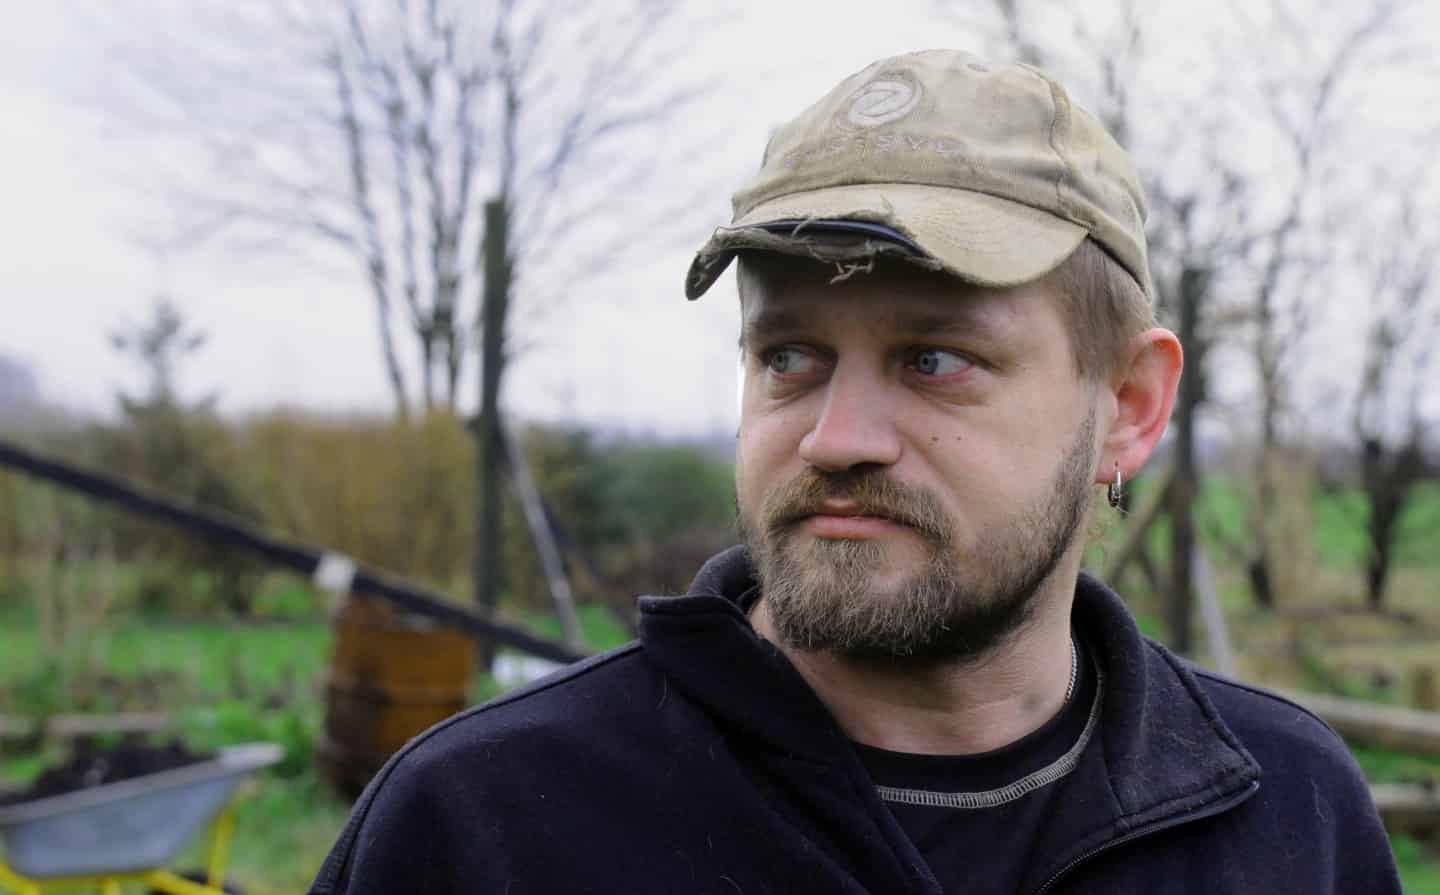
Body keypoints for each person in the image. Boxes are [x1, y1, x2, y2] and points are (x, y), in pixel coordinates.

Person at [309, 49, 1401, 894]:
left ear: (1129, 406)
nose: (835, 437)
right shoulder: (486, 826)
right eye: (790, 357)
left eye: (935, 360)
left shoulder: (1288, 818)